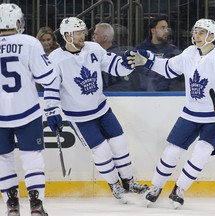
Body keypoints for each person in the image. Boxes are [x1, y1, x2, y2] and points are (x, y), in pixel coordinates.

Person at [126, 19, 215, 208]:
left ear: (211, 36)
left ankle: (179, 190)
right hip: (191, 113)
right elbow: (168, 68)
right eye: (195, 31)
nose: (196, 35)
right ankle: (155, 188)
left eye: (201, 32)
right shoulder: (189, 53)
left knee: (201, 153)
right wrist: (147, 62)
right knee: (172, 151)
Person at [43, 17, 149, 203]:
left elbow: (115, 67)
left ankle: (129, 181)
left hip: (102, 108)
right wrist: (52, 111)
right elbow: (51, 88)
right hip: (79, 117)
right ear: (67, 35)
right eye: (78, 33)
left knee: (120, 144)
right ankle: (115, 186)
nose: (83, 35)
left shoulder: (94, 48)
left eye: (83, 31)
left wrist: (127, 63)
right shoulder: (55, 59)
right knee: (102, 151)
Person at [0, 3, 59, 216]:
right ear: (17, 22)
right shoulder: (29, 43)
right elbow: (49, 78)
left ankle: (12, 205)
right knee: (32, 158)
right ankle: (36, 205)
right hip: (26, 110)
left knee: (3, 159)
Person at [131, 15, 183, 91]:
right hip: (142, 95)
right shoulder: (140, 50)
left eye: (167, 28)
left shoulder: (173, 51)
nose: (166, 31)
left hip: (168, 96)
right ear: (153, 31)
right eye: (162, 28)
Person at [92, 22, 130, 91]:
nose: (93, 37)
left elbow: (122, 86)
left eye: (96, 34)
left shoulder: (118, 59)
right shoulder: (92, 55)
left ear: (104, 38)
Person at [36, 26, 60, 92]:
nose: (46, 43)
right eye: (43, 40)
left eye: (48, 39)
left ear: (53, 39)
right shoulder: (34, 54)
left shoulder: (59, 53)